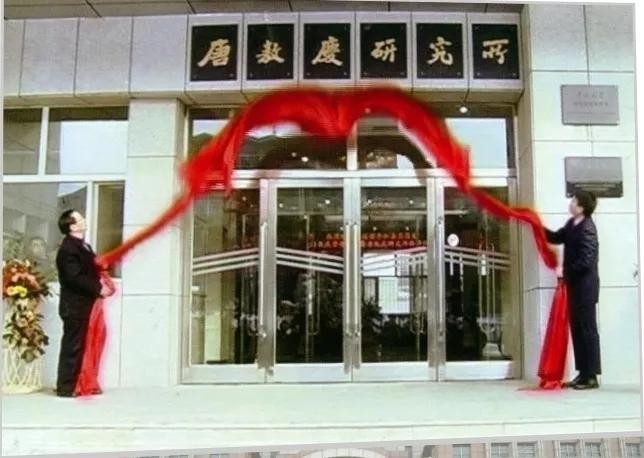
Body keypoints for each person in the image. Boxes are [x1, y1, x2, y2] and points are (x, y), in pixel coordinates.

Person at [544, 190, 600, 390]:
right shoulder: (572, 224)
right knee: (577, 330)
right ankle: (582, 373)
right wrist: (537, 226)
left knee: (587, 330)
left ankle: (591, 376)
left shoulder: (588, 228)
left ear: (582, 207)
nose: (571, 203)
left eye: (574, 201)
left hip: (586, 288)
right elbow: (557, 237)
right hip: (575, 287)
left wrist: (565, 272)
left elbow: (586, 261)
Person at [55, 210, 111, 397]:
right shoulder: (68, 249)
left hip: (85, 305)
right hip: (74, 306)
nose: (84, 220)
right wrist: (98, 288)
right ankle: (66, 387)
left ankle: (82, 383)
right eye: (80, 219)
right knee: (73, 346)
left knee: (85, 345)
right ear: (72, 226)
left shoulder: (83, 246)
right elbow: (74, 277)